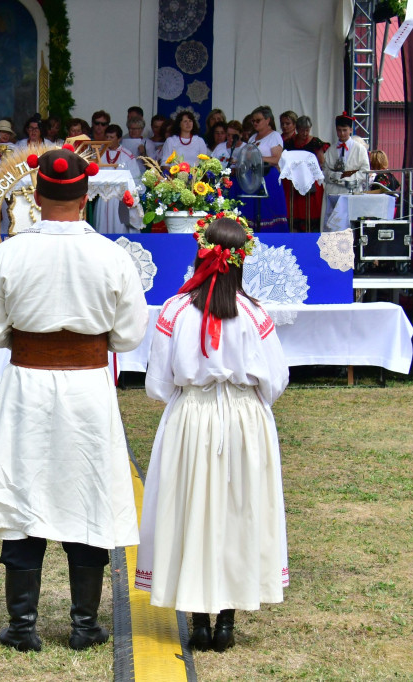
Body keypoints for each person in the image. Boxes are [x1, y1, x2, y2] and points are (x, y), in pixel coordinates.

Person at [0, 146, 149, 653]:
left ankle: (23, 627)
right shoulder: (112, 256)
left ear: (38, 196)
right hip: (88, 386)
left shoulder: (8, 254)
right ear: (86, 197)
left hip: (27, 383)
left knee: (23, 492)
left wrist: (26, 340)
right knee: (88, 493)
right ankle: (84, 625)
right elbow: (131, 334)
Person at [135, 216, 289, 654]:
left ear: (201, 253)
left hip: (192, 416)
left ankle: (198, 619)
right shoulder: (256, 313)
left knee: (190, 508)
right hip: (244, 419)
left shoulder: (175, 311)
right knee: (239, 509)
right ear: (243, 260)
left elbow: (158, 385)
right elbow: (275, 380)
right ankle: (226, 622)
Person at [243, 105, 288, 231]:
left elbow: (276, 159)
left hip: (268, 177)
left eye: (258, 120)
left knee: (268, 209)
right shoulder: (253, 137)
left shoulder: (274, 136)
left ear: (268, 120)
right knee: (253, 210)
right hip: (253, 177)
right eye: (253, 121)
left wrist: (258, 158)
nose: (255, 123)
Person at [282, 115, 328, 231]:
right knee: (293, 213)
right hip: (293, 182)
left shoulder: (315, 142)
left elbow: (321, 161)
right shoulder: (289, 142)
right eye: (302, 130)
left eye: (307, 130)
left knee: (310, 214)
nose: (305, 133)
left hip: (310, 182)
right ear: (297, 129)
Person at [323, 111, 370, 199]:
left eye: (345, 130)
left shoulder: (360, 149)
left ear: (351, 130)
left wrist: (348, 179)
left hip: (353, 191)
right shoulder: (330, 150)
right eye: (339, 130)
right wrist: (335, 177)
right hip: (333, 191)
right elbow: (325, 171)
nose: (342, 133)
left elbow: (365, 171)